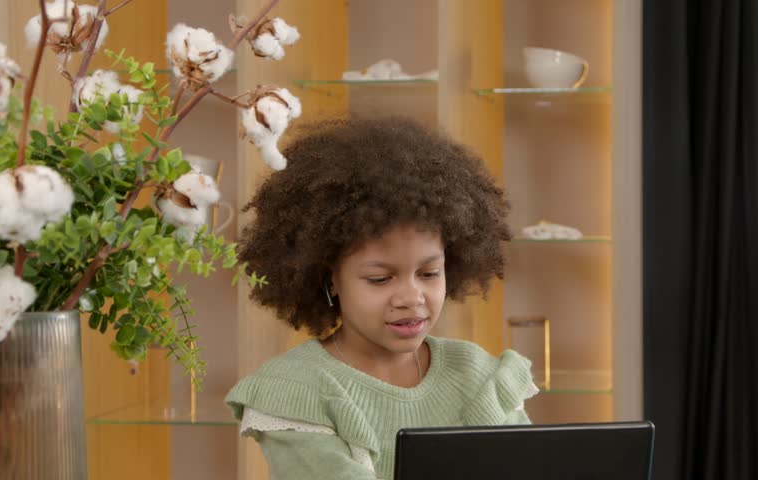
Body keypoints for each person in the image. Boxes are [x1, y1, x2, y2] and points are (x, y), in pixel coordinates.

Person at [225, 116, 538, 479]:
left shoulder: (478, 376)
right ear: (330, 278)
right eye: (380, 279)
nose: (411, 298)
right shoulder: (296, 390)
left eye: (429, 273)